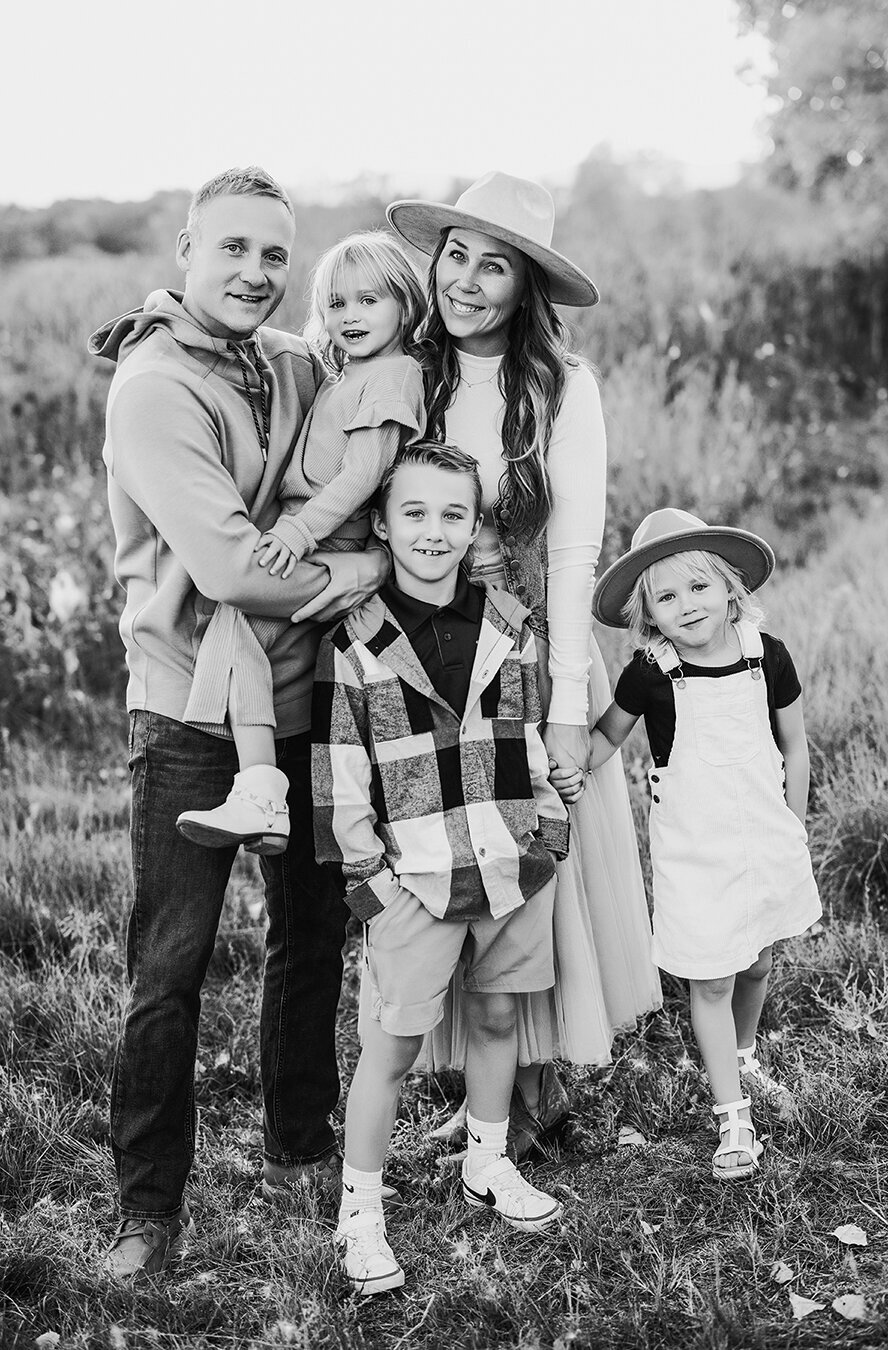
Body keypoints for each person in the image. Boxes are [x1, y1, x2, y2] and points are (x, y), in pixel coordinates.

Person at [90, 167, 389, 1278]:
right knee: (169, 964)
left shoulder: (291, 364)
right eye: (235, 250)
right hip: (187, 707)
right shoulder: (156, 385)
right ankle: (147, 1209)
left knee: (313, 935)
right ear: (185, 249)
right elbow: (223, 566)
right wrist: (366, 567)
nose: (258, 273)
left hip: (308, 695)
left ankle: (301, 1145)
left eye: (276, 254)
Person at [386, 170, 662, 1155]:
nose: (464, 279)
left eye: (491, 264)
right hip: (428, 657)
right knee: (451, 861)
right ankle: (481, 1084)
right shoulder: (406, 370)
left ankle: (538, 1086)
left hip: (534, 647)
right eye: (455, 254)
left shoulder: (560, 387)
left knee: (535, 862)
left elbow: (576, 551)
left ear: (524, 286)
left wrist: (564, 710)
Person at [312, 442, 568, 1294]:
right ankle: (362, 1210)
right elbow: (341, 773)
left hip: (509, 866)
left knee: (498, 1023)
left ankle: (488, 1162)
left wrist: (550, 837)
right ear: (382, 524)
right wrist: (371, 888)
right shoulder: (356, 640)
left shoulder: (510, 623)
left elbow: (531, 742)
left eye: (452, 514)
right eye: (414, 513)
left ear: (474, 526)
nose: (433, 530)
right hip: (413, 880)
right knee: (389, 1049)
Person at [175, 231, 426, 853]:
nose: (351, 316)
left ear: (406, 305)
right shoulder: (353, 373)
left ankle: (260, 793)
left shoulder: (394, 375)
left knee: (237, 617)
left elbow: (365, 473)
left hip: (325, 544)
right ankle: (260, 793)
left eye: (370, 300)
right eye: (337, 304)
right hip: (311, 539)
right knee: (236, 629)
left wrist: (296, 529)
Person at [591, 508, 822, 1178]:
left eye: (699, 588)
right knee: (713, 976)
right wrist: (572, 766)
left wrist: (796, 826)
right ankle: (732, 1119)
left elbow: (795, 746)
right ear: (649, 614)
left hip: (765, 836)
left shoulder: (765, 654)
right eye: (666, 596)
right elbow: (608, 737)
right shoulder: (651, 674)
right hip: (696, 850)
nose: (687, 606)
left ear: (730, 588)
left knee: (755, 962)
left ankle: (745, 1057)